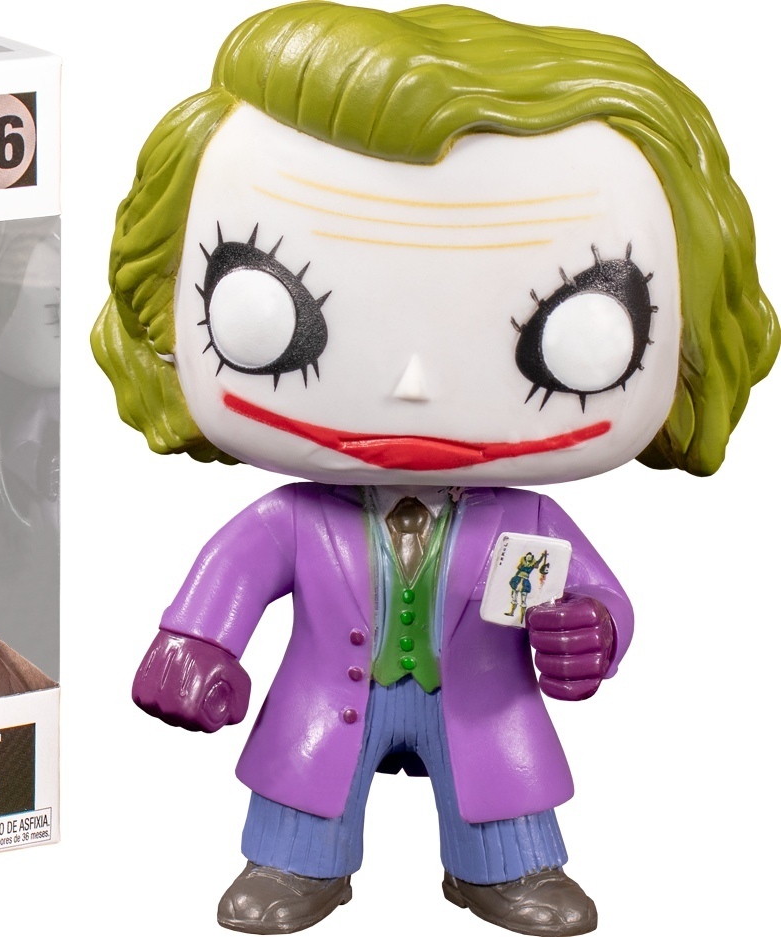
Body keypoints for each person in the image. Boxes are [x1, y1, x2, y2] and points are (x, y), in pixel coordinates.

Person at [92, 4, 776, 934]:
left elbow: (600, 596)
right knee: (301, 793)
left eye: (579, 335)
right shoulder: (294, 518)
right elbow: (233, 572)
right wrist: (195, 644)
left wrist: (592, 629)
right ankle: (297, 862)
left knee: (502, 794)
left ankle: (506, 867)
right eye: (269, 317)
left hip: (484, 704)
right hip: (325, 704)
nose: (413, 386)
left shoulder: (529, 526)